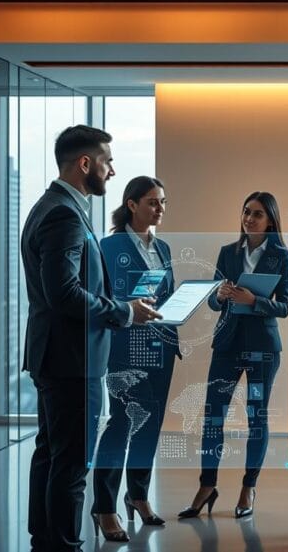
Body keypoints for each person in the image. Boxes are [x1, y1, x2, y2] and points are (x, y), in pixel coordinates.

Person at [21, 125, 161, 552]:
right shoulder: (64, 213)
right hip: (71, 358)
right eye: (107, 161)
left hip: (56, 355)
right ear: (86, 163)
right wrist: (124, 311)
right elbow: (62, 292)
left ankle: (46, 541)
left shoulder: (52, 205)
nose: (113, 171)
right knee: (71, 463)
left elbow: (66, 287)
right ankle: (64, 545)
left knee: (51, 455)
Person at [179, 192, 288, 520]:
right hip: (227, 346)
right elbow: (214, 302)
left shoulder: (281, 256)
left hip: (262, 350)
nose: (249, 219)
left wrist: (252, 299)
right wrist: (221, 294)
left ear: (270, 219)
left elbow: (284, 306)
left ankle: (248, 487)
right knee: (213, 415)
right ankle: (207, 485)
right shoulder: (228, 252)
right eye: (246, 212)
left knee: (257, 417)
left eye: (257, 214)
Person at [91, 176, 180, 540]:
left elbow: (167, 294)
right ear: (131, 204)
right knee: (122, 425)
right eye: (152, 202)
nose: (160, 209)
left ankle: (138, 496)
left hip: (160, 345)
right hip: (125, 347)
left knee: (150, 425)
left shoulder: (164, 248)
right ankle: (104, 507)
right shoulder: (108, 246)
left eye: (162, 202)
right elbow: (106, 299)